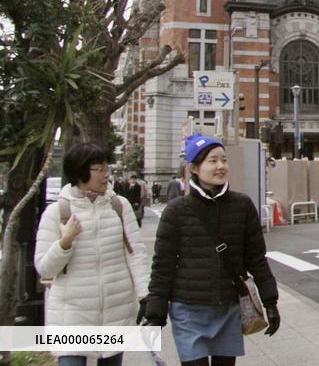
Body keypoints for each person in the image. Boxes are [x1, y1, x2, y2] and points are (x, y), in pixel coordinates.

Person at [144, 134, 280, 365]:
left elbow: (256, 259)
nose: (221, 166)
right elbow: (163, 264)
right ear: (194, 168)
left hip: (229, 306)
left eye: (224, 160)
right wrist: (155, 313)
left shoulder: (243, 205)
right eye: (213, 161)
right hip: (188, 309)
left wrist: (270, 301)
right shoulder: (177, 210)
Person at [35, 143, 149, 366]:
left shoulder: (119, 206)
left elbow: (136, 254)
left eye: (107, 168)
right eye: (99, 169)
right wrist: (64, 243)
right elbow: (44, 268)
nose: (106, 175)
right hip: (72, 315)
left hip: (116, 310)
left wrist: (145, 295)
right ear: (79, 172)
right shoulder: (57, 212)